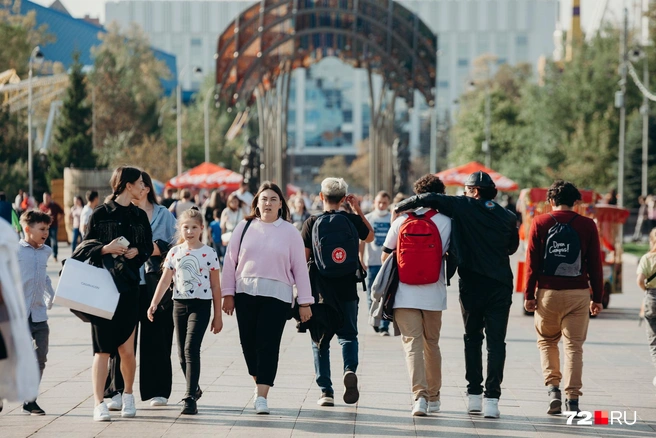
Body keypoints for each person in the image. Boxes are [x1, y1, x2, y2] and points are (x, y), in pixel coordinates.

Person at [395, 171, 519, 419]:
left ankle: (474, 396)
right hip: (500, 285)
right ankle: (492, 400)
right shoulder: (507, 216)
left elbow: (428, 197)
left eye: (465, 190)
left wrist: (400, 206)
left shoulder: (464, 205)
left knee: (472, 338)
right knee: (496, 343)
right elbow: (512, 247)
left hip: (472, 283)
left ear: (473, 191)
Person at [222, 181, 313, 414]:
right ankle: (258, 381)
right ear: (257, 203)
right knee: (248, 345)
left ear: (281, 204)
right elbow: (230, 263)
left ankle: (262, 396)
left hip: (277, 297)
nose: (268, 203)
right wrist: (227, 294)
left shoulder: (290, 232)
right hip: (245, 294)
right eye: (264, 199)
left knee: (268, 345)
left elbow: (300, 269)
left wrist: (304, 301)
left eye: (273, 199)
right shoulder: (244, 227)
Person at [523, 180, 603, 415]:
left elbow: (531, 263)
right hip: (578, 294)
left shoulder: (540, 222)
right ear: (576, 202)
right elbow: (595, 265)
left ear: (550, 202)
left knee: (547, 342)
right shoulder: (588, 225)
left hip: (547, 293)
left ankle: (553, 390)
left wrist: (529, 295)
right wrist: (597, 298)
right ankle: (573, 400)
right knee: (574, 348)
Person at [80, 166, 153, 421]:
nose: (144, 187)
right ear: (127, 185)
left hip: (130, 289)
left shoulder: (139, 216)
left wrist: (137, 252)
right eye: (141, 183)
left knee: (127, 349)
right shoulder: (100, 214)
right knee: (101, 350)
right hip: (102, 289)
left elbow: (146, 246)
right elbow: (84, 246)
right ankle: (98, 403)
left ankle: (128, 395)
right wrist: (105, 248)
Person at [103, 172, 178, 409]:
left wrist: (155, 249)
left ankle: (158, 389)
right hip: (126, 282)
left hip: (157, 283)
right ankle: (116, 390)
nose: (142, 187)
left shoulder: (164, 214)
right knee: (122, 338)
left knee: (158, 336)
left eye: (144, 184)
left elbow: (178, 244)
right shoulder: (121, 213)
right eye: (139, 183)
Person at [380, 175, 451, 416]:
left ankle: (418, 397)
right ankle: (434, 398)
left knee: (412, 344)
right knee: (432, 344)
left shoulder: (401, 221)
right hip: (434, 293)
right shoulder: (446, 221)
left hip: (404, 294)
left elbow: (385, 257)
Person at [300, 177, 374, 407]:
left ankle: (326, 391)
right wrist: (357, 210)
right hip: (347, 289)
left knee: (320, 341)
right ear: (344, 198)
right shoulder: (351, 220)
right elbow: (370, 236)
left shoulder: (311, 223)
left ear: (321, 196)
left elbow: (304, 260)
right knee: (349, 335)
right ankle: (349, 369)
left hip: (320, 292)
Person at [148, 208, 223, 415]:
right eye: (185, 227)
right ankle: (195, 387)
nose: (189, 231)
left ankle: (190, 397)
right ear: (180, 229)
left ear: (201, 228)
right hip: (179, 305)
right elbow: (165, 280)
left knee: (191, 349)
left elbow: (216, 286)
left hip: (201, 305)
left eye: (194, 227)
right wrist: (154, 303)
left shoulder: (209, 253)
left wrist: (218, 316)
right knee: (181, 354)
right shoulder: (174, 252)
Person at [17, 210, 54, 415]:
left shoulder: (46, 251)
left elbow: (44, 277)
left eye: (47, 229)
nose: (46, 232)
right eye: (42, 229)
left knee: (40, 357)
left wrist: (51, 295)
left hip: (39, 314)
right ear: (27, 229)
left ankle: (29, 400)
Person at [360, 191, 392, 335]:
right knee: (372, 295)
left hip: (388, 263)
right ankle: (375, 320)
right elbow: (361, 241)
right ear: (374, 202)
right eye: (379, 202)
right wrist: (360, 258)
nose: (381, 205)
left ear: (388, 203)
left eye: (384, 203)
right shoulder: (368, 219)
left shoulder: (393, 219)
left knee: (387, 295)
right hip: (371, 262)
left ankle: (385, 325)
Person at [636, 227, 656, 389]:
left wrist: (647, 291)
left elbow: (640, 281)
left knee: (654, 341)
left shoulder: (647, 258)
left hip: (652, 298)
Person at [39, 192, 64, 262]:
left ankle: (55, 255)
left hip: (53, 226)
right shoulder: (41, 206)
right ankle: (45, 256)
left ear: (50, 198)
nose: (46, 199)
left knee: (54, 241)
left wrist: (59, 221)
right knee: (45, 241)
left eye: (47, 198)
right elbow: (39, 217)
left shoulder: (54, 205)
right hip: (44, 227)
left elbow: (62, 213)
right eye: (44, 198)